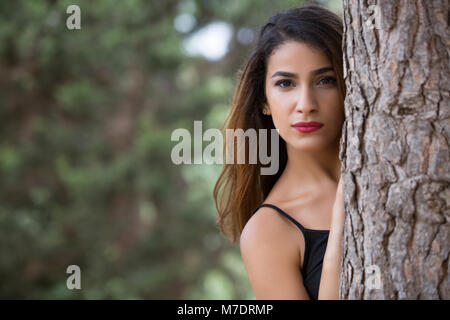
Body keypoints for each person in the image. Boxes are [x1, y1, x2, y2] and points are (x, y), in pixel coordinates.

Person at [213, 4, 345, 300]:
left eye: (326, 80)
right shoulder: (268, 231)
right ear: (264, 101)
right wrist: (342, 219)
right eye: (286, 83)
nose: (306, 103)